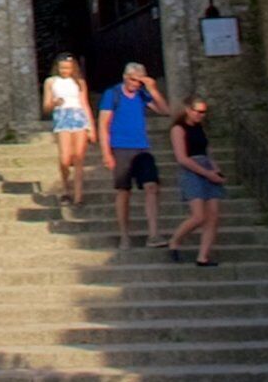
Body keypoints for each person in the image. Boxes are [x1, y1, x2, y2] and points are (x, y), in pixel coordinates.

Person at [97, 60, 173, 247]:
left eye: (139, 81)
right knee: (124, 191)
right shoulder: (112, 94)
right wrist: (106, 153)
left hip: (142, 147)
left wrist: (153, 89)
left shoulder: (142, 94)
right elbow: (103, 124)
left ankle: (154, 234)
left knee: (151, 186)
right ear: (125, 77)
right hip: (120, 147)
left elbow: (165, 111)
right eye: (132, 80)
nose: (135, 84)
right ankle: (124, 235)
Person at [167, 95, 228, 265]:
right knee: (198, 216)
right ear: (188, 109)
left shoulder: (200, 127)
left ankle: (203, 256)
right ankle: (175, 241)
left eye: (204, 112)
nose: (201, 115)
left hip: (206, 166)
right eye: (198, 111)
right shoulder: (178, 129)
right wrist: (207, 173)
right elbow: (182, 158)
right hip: (191, 170)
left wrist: (215, 169)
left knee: (213, 216)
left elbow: (207, 151)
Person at [41, 55, 93, 212]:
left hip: (79, 117)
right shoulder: (51, 82)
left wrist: (91, 127)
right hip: (62, 117)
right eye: (62, 68)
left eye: (68, 68)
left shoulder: (79, 82)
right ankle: (65, 188)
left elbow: (85, 104)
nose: (65, 71)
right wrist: (54, 103)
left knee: (78, 157)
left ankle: (78, 195)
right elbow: (46, 107)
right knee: (65, 158)